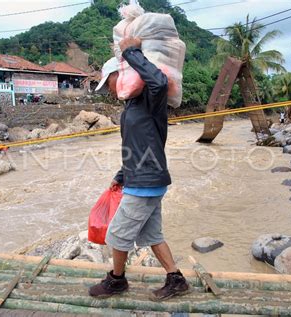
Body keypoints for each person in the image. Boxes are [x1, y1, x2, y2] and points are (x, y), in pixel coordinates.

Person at [88, 37, 190, 301]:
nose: (108, 91)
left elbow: (157, 79)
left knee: (117, 235)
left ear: (120, 75)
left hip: (146, 182)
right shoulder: (132, 107)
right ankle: (176, 279)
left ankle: (117, 281)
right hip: (142, 178)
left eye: (108, 83)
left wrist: (130, 52)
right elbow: (137, 146)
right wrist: (120, 176)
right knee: (152, 235)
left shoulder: (150, 99)